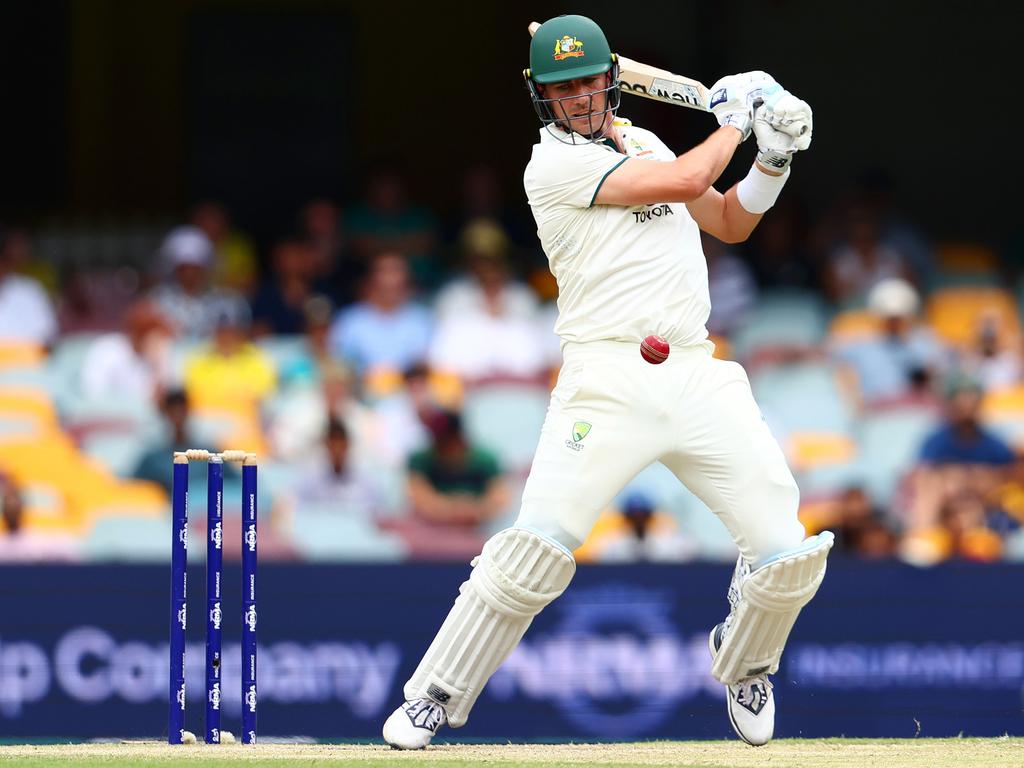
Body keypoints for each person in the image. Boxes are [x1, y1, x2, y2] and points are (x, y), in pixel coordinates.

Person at [382, 14, 833, 750]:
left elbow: (726, 219)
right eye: (564, 88)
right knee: (534, 549)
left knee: (785, 551)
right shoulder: (550, 167)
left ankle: (747, 661)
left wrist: (773, 158)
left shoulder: (650, 141)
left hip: (694, 371)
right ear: (543, 97)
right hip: (606, 378)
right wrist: (735, 120)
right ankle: (437, 695)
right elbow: (693, 176)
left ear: (611, 81)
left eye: (590, 81)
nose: (581, 98)